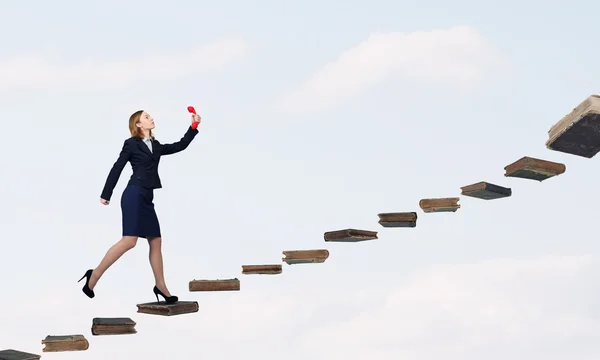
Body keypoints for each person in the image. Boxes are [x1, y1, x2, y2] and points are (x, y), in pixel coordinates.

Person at [78, 109, 201, 304]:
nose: (151, 118)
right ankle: (94, 275)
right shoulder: (131, 144)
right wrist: (106, 193)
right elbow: (117, 167)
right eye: (146, 117)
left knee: (156, 240)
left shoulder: (156, 145)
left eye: (150, 116)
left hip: (147, 197)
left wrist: (193, 127)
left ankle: (160, 285)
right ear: (138, 125)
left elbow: (180, 145)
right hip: (133, 194)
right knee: (129, 241)